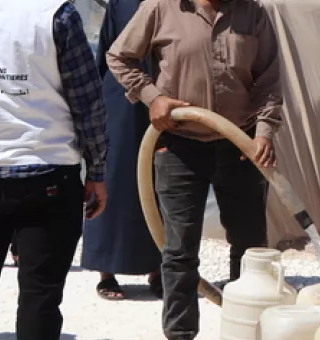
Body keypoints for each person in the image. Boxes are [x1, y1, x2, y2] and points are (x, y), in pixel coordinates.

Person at [0, 0, 109, 338]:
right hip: (48, 172)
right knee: (40, 294)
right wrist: (97, 170)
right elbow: (87, 102)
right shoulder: (56, 14)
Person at [105, 0, 283, 337]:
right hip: (179, 146)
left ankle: (245, 331)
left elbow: (269, 79)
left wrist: (264, 133)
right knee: (179, 252)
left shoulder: (253, 12)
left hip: (240, 144)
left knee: (251, 250)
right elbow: (119, 56)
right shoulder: (161, 7)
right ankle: (180, 333)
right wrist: (151, 95)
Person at [82, 0, 162, 301]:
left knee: (161, 180)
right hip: (122, 95)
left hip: (168, 96)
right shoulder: (123, 2)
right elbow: (107, 47)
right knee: (113, 175)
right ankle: (106, 271)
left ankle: (158, 269)